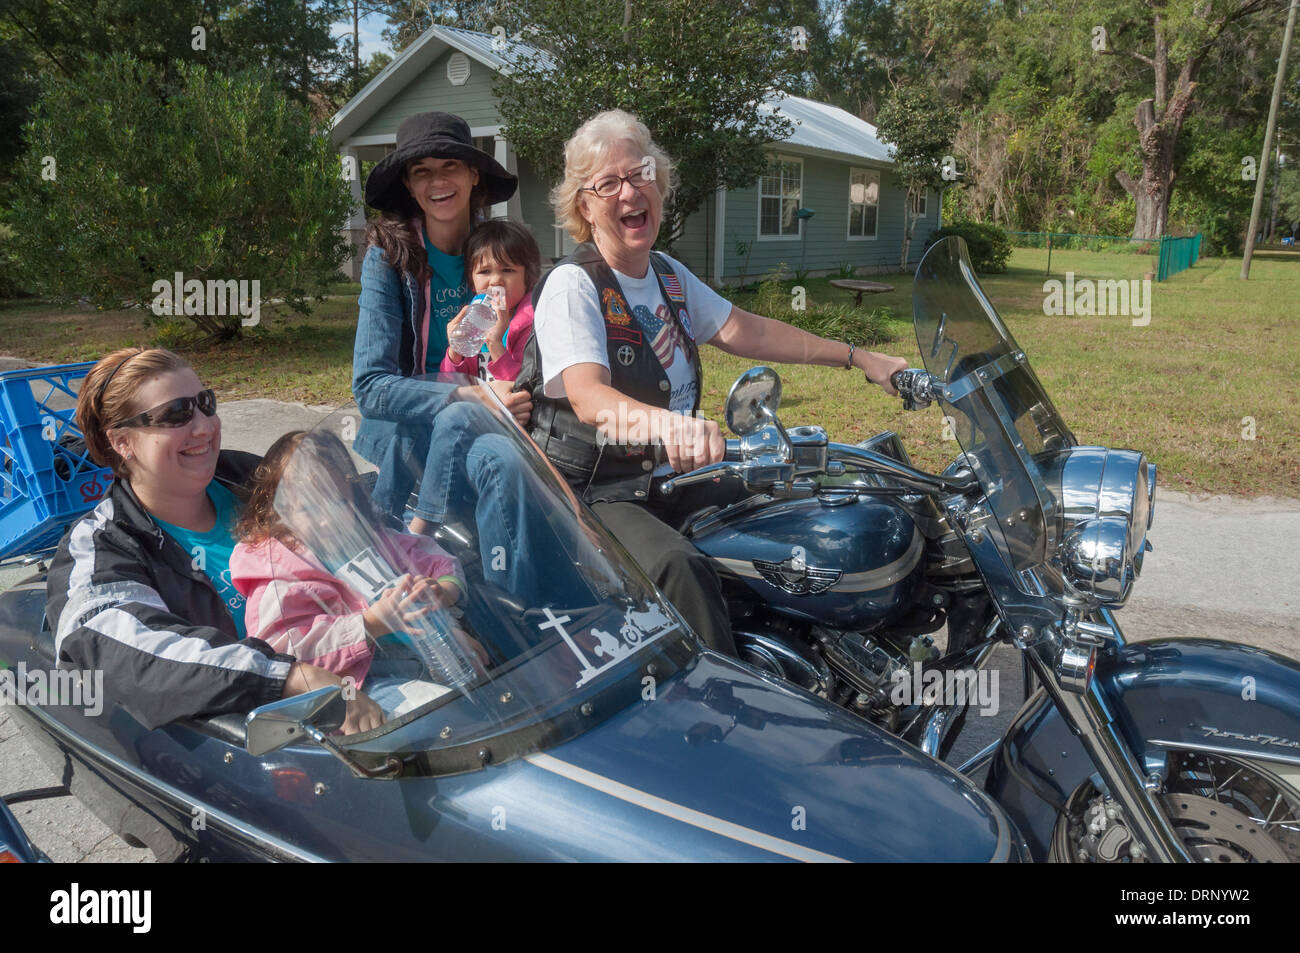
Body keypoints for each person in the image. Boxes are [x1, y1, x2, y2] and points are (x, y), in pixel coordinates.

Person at [518, 109, 910, 657]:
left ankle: (826, 656)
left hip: (671, 478)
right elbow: (588, 396)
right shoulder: (572, 285)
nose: (629, 192)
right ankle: (720, 711)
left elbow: (745, 330)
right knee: (680, 569)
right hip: (593, 492)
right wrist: (670, 425)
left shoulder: (668, 276)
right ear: (585, 205)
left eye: (640, 173)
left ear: (660, 180)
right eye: (608, 183)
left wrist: (859, 356)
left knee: (803, 496)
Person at [45, 348, 384, 734]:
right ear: (122, 441)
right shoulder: (102, 546)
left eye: (205, 404)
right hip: (270, 737)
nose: (204, 427)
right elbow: (127, 649)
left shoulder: (254, 480)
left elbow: (361, 529)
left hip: (376, 680)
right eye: (176, 414)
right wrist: (287, 677)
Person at [354, 112, 552, 602]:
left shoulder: (500, 249)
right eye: (421, 171)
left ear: (473, 175)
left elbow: (534, 336)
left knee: (510, 462)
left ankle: (517, 605)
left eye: (450, 166)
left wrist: (516, 394)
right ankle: (391, 559)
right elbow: (371, 388)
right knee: (492, 452)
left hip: (495, 414)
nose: (438, 181)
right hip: (412, 434)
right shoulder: (388, 259)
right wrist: (472, 396)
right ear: (408, 183)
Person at [230, 430, 487, 718]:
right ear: (280, 512)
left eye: (338, 503)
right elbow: (283, 652)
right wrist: (370, 623)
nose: (327, 519)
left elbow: (435, 559)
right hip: (357, 685)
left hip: (425, 654)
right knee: (447, 715)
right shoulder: (279, 574)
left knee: (497, 687)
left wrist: (444, 592)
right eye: (310, 508)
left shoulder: (373, 539)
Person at [439, 219, 541, 383]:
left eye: (507, 270)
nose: (495, 281)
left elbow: (525, 385)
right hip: (479, 405)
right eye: (485, 271)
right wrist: (455, 351)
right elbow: (450, 384)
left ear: (528, 278)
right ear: (471, 281)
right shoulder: (474, 319)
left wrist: (495, 343)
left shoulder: (532, 324)